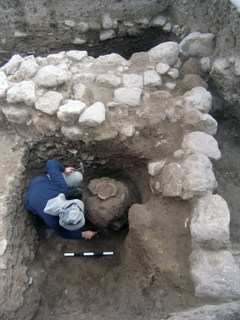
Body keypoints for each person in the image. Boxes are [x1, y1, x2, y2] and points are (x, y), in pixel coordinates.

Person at [24, 159, 97, 240]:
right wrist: (82, 234)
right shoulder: (51, 220)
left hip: (40, 185)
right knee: (76, 190)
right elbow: (63, 233)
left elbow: (50, 163)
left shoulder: (61, 187)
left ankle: (74, 192)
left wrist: (64, 170)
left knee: (77, 177)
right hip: (31, 199)